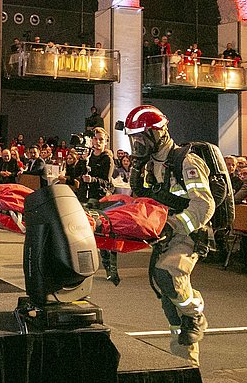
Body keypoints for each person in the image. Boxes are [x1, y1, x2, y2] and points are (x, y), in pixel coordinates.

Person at [124, 105, 215, 366]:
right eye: (134, 139)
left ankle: (196, 312)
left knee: (168, 274)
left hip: (187, 232)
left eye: (141, 138)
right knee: (168, 300)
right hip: (164, 234)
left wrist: (174, 225)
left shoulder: (186, 161)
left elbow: (204, 205)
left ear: (158, 133)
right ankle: (184, 363)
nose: (137, 145)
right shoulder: (152, 164)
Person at [79, 127, 117, 284]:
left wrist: (92, 180)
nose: (98, 142)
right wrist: (82, 161)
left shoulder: (107, 158)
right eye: (95, 139)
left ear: (106, 142)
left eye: (101, 139)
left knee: (104, 234)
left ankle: (111, 268)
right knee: (84, 235)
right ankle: (84, 269)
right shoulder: (88, 157)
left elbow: (107, 183)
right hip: (85, 198)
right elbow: (77, 174)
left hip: (100, 199)